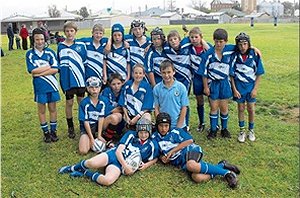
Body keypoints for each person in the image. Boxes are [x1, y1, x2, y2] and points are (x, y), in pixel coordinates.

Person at [58, 117, 159, 186]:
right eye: (141, 132)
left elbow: (155, 158)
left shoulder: (151, 145)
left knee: (107, 181)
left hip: (118, 166)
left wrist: (145, 165)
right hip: (114, 155)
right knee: (91, 162)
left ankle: (84, 173)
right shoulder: (131, 135)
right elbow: (118, 151)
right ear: (137, 131)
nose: (143, 135)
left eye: (146, 132)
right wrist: (126, 166)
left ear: (149, 132)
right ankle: (71, 168)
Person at [152, 112, 240, 189]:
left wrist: (173, 151)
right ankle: (221, 165)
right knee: (197, 177)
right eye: (161, 126)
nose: (163, 129)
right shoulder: (154, 137)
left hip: (190, 150)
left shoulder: (175, 131)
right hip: (181, 161)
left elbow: (190, 141)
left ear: (169, 125)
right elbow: (157, 154)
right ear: (157, 126)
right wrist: (162, 157)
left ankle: (228, 174)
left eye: (166, 126)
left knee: (191, 165)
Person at [25, 28, 60, 143]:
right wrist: (48, 67)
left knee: (53, 109)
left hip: (52, 85)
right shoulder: (30, 54)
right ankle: (46, 133)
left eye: (42, 39)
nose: (40, 42)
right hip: (40, 87)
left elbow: (55, 69)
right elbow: (32, 70)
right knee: (41, 110)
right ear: (33, 40)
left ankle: (53, 131)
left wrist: (41, 72)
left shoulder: (50, 52)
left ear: (45, 39)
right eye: (37, 39)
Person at [200, 28, 235, 139]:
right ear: (214, 40)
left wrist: (253, 48)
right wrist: (206, 87)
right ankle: (213, 129)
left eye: (221, 41)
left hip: (224, 83)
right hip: (213, 83)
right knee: (214, 107)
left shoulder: (230, 50)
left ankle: (224, 129)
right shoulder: (209, 54)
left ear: (226, 41)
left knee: (224, 107)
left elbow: (243, 47)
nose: (219, 44)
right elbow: (204, 73)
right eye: (217, 41)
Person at [230, 32, 265, 143]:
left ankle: (251, 130)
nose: (243, 47)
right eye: (240, 44)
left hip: (250, 87)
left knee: (251, 108)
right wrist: (234, 90)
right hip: (239, 87)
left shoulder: (254, 55)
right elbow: (231, 75)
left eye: (245, 44)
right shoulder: (234, 56)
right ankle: (242, 131)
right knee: (240, 108)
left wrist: (255, 89)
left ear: (249, 44)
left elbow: (259, 73)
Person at [57, 21, 87, 139]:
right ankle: (70, 127)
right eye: (67, 31)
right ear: (64, 32)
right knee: (69, 103)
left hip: (80, 80)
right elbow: (60, 64)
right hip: (67, 80)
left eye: (72, 31)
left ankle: (82, 125)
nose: (69, 33)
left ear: (75, 32)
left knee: (81, 102)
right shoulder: (61, 46)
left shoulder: (81, 45)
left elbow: (84, 62)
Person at [164, 30, 193, 130]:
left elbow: (197, 38)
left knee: (184, 102)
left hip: (186, 78)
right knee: (175, 101)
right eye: (171, 40)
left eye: (175, 39)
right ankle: (173, 120)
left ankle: (186, 123)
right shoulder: (166, 48)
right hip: (174, 78)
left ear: (179, 39)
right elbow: (154, 44)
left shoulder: (186, 44)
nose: (173, 41)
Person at [153, 59, 189, 130]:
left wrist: (178, 127)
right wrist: (160, 124)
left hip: (179, 125)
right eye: (164, 72)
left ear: (174, 72)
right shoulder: (157, 88)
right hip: (164, 126)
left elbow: (184, 108)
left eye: (169, 72)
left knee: (189, 141)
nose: (166, 75)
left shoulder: (181, 87)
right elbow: (156, 108)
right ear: (160, 73)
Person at [188, 27, 211, 132]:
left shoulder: (207, 48)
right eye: (191, 37)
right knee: (199, 101)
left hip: (208, 78)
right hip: (196, 78)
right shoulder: (189, 48)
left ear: (201, 37)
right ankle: (201, 122)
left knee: (212, 101)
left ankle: (214, 123)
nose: (194, 39)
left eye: (196, 37)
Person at [119, 63, 153, 130]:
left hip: (141, 114)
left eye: (140, 73)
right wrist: (126, 116)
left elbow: (147, 106)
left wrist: (137, 117)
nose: (138, 75)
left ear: (144, 75)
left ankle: (145, 137)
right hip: (129, 114)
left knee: (147, 117)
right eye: (136, 73)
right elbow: (123, 102)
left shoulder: (147, 86)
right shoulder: (127, 85)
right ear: (132, 74)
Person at [78, 77, 107, 154]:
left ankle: (102, 137)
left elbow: (101, 118)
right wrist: (91, 138)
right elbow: (85, 121)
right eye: (91, 87)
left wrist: (99, 135)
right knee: (83, 151)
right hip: (87, 127)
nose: (94, 90)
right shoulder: (84, 103)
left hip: (97, 125)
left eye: (96, 87)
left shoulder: (103, 100)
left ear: (100, 88)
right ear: (87, 88)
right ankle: (90, 138)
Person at [101, 73, 125, 145]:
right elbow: (105, 109)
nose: (116, 86)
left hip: (121, 121)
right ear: (109, 84)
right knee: (115, 116)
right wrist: (116, 110)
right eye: (113, 84)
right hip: (106, 119)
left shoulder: (124, 91)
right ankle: (106, 138)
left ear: (122, 83)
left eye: (118, 83)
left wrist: (118, 109)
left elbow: (123, 107)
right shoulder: (106, 91)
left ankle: (116, 135)